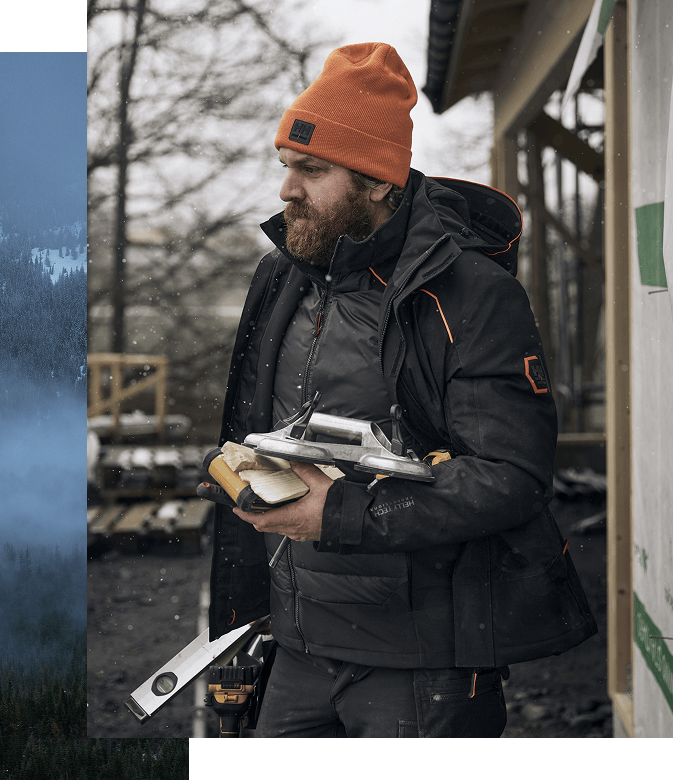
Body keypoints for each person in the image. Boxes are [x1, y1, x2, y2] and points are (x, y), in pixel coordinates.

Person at [207, 42, 597, 738]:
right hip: (295, 645)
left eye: (311, 169)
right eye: (286, 166)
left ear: (379, 182)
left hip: (421, 662)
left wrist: (342, 514)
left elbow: (509, 476)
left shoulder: (471, 294)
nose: (285, 189)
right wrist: (237, 623)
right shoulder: (281, 276)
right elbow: (242, 429)